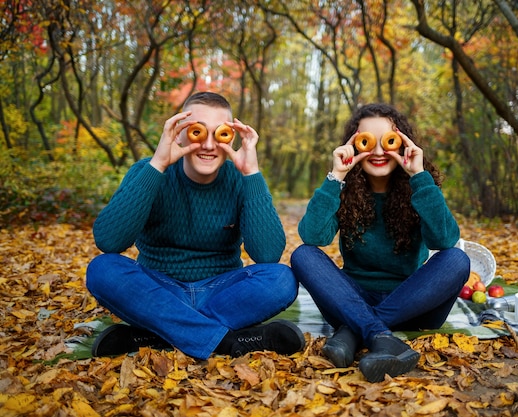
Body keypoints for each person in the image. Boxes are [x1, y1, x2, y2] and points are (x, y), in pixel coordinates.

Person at [86, 91, 304, 359]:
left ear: (231, 138)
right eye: (198, 132)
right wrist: (158, 164)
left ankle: (158, 335)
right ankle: (226, 340)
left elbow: (268, 255)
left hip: (220, 293)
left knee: (282, 278)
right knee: (102, 269)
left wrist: (252, 174)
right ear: (178, 134)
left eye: (220, 134)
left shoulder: (241, 177)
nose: (209, 145)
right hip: (160, 290)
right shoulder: (150, 170)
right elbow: (109, 241)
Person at [290, 103, 469, 382]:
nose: (376, 152)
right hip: (350, 301)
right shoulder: (345, 189)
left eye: (387, 142)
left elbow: (445, 239)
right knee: (303, 254)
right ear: (353, 145)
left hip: (413, 304)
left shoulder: (419, 186)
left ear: (401, 143)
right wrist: (336, 176)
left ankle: (355, 332)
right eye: (366, 142)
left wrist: (418, 176)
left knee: (457, 259)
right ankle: (380, 334)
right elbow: (313, 236)